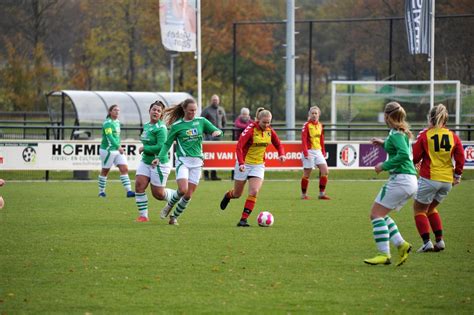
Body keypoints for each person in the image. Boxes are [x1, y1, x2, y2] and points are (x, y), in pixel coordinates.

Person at [364, 102, 416, 266]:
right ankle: (401, 245)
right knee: (382, 214)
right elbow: (398, 148)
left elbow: (403, 155)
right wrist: (382, 143)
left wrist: (383, 165)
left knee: (375, 215)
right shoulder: (400, 132)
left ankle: (384, 254)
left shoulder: (396, 134)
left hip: (400, 179)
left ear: (387, 116)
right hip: (409, 180)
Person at [156, 98, 222, 225]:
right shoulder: (177, 126)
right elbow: (167, 144)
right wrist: (159, 157)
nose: (193, 113)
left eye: (195, 110)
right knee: (182, 190)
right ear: (184, 109)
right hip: (183, 161)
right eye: (191, 110)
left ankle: (174, 217)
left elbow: (217, 130)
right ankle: (169, 205)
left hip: (197, 163)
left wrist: (216, 132)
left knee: (188, 195)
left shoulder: (201, 121)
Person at [412, 104, 465, 252]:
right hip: (447, 181)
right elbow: (460, 157)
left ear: (430, 118)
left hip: (430, 178)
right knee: (431, 208)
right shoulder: (453, 136)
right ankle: (440, 241)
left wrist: (417, 163)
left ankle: (426, 242)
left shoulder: (425, 135)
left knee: (419, 209)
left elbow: (415, 157)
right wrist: (457, 175)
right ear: (445, 120)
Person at [219, 109, 286, 227]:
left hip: (258, 165)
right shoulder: (250, 130)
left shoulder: (269, 131)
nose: (266, 125)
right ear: (258, 120)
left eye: (268, 122)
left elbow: (278, 143)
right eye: (264, 122)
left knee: (254, 191)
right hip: (244, 164)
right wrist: (241, 163)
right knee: (237, 194)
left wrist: (281, 153)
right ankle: (228, 195)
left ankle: (243, 220)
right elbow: (239, 147)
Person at [134, 101, 175, 222]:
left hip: (159, 163)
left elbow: (161, 146)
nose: (155, 112)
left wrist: (144, 148)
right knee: (139, 185)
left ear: (161, 114)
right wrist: (146, 150)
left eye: (158, 110)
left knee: (158, 194)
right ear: (149, 110)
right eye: (154, 109)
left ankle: (177, 195)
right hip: (146, 161)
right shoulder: (146, 125)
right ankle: (143, 216)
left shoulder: (161, 128)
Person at [98, 104, 135, 198]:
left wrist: (118, 146)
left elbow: (116, 137)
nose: (117, 112)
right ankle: (101, 192)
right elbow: (109, 136)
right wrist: (118, 146)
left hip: (117, 150)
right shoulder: (107, 123)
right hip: (108, 150)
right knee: (105, 171)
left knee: (124, 169)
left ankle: (129, 191)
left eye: (118, 110)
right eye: (115, 110)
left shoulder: (117, 122)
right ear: (110, 112)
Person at [300, 105, 330, 200]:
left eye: (315, 113)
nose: (314, 115)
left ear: (319, 115)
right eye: (312, 113)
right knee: (307, 174)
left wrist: (323, 151)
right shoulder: (306, 125)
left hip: (318, 151)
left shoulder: (320, 125)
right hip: (309, 151)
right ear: (309, 114)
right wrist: (306, 153)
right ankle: (304, 194)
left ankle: (321, 194)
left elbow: (321, 139)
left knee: (325, 171)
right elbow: (304, 140)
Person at [201, 94, 226, 180]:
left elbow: (224, 122)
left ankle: (214, 175)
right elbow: (201, 122)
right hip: (208, 137)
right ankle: (206, 175)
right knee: (207, 156)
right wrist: (205, 133)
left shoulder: (221, 110)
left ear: (218, 101)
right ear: (211, 100)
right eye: (213, 100)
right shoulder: (206, 110)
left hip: (218, 138)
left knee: (215, 156)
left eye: (216, 100)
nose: (215, 101)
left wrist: (222, 132)